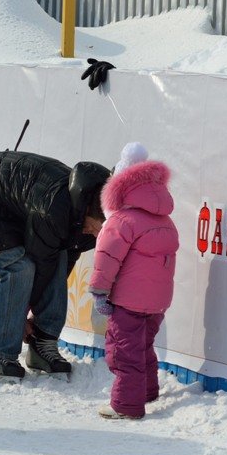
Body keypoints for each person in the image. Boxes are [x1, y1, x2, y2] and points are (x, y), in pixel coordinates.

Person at [0, 150, 110, 380]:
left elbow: (63, 262)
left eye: (99, 231)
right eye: (94, 227)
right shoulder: (54, 208)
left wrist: (40, 321)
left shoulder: (85, 217)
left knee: (58, 259)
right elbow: (38, 262)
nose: (94, 234)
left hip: (9, 205)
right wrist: (20, 317)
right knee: (19, 268)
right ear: (86, 213)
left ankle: (43, 344)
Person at [90, 143, 179, 420]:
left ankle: (126, 405)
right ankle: (147, 390)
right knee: (142, 346)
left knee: (123, 351)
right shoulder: (166, 221)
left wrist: (99, 292)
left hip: (128, 300)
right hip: (157, 302)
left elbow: (106, 259)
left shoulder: (122, 220)